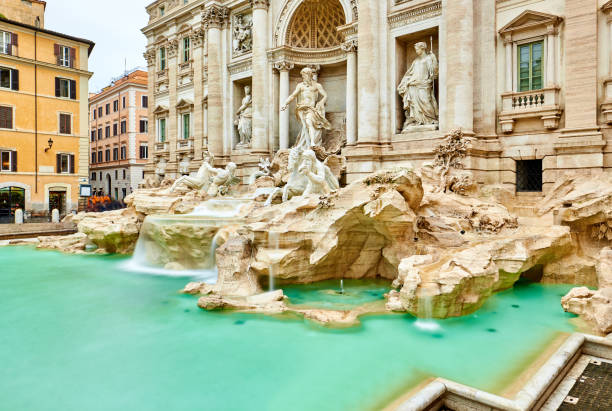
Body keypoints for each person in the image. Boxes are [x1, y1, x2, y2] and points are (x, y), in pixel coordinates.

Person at [281, 67, 331, 150]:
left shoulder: (317, 85)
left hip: (311, 108)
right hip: (301, 108)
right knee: (305, 127)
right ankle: (308, 145)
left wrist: (322, 102)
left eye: (304, 76)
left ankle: (312, 142)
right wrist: (285, 103)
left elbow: (325, 95)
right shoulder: (300, 86)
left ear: (309, 75)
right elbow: (293, 95)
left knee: (309, 122)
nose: (303, 77)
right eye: (302, 76)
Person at [397, 42, 439, 130]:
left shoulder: (428, 59)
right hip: (414, 85)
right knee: (414, 104)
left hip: (424, 84)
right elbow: (409, 73)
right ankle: (417, 121)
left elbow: (434, 72)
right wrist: (406, 82)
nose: (416, 51)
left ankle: (430, 119)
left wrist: (434, 59)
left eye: (417, 49)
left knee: (425, 101)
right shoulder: (415, 61)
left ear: (422, 48)